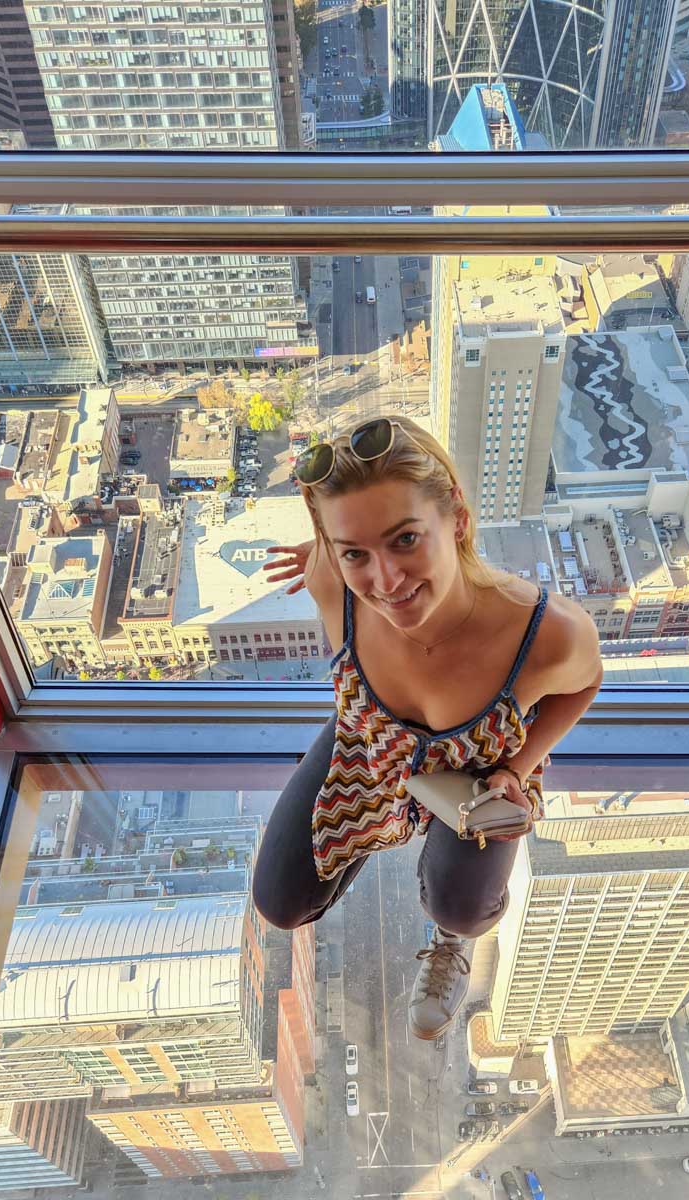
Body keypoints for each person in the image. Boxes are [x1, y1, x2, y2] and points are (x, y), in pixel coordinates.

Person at [252, 415, 602, 1041]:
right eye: (356, 550)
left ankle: (448, 939)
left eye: (407, 540)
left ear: (459, 520)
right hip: (367, 745)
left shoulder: (545, 634)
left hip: (477, 771)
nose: (386, 584)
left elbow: (584, 684)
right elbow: (346, 562)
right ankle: (369, 834)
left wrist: (515, 771)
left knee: (461, 907)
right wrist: (334, 553)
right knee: (281, 904)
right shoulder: (331, 581)